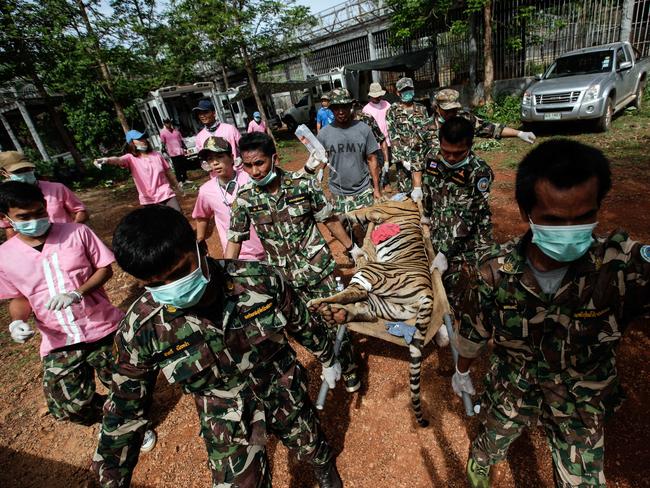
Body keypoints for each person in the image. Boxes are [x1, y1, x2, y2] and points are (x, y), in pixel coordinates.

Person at [93, 205, 344, 488]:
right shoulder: (142, 330)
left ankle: (323, 466)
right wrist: (111, 479)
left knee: (309, 443)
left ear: (200, 249)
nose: (173, 287)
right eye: (158, 284)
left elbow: (301, 321)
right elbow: (123, 411)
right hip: (226, 417)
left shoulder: (257, 280)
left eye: (180, 271)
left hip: (282, 388)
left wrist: (327, 356)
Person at [452, 139, 650, 488]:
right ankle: (482, 458)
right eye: (556, 220)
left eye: (585, 217)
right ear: (528, 214)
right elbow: (474, 332)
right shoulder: (493, 274)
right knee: (492, 438)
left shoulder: (622, 268)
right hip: (513, 390)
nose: (572, 230)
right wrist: (461, 370)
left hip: (579, 404)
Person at [0, 182, 156, 449]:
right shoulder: (5, 257)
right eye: (24, 217)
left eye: (40, 212)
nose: (35, 221)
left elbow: (105, 269)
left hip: (101, 327)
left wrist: (78, 293)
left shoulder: (76, 233)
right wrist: (17, 321)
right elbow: (19, 298)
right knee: (67, 404)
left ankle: (136, 425)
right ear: (6, 218)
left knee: (125, 385)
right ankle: (110, 417)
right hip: (58, 340)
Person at [225, 131, 363, 392]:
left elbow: (329, 219)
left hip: (318, 268)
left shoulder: (302, 185)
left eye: (259, 163)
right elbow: (235, 238)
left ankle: (349, 367)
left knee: (334, 319)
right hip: (285, 278)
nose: (254, 171)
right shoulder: (244, 198)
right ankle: (327, 359)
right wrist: (227, 273)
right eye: (248, 165)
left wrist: (351, 247)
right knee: (302, 326)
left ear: (274, 159)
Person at [421, 117, 494, 311]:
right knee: (443, 285)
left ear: (470, 146)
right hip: (441, 231)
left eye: (458, 153)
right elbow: (428, 187)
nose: (451, 158)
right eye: (446, 152)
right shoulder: (433, 159)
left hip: (471, 244)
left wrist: (445, 252)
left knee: (470, 289)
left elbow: (469, 217)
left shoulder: (479, 173)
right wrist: (426, 214)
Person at [192, 136, 265, 261]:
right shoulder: (206, 191)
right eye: (210, 159)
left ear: (231, 158)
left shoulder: (249, 179)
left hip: (265, 247)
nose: (215, 163)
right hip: (237, 254)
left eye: (219, 157)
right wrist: (200, 240)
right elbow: (202, 216)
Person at [315, 88, 381, 216]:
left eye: (344, 107)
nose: (340, 112)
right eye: (336, 108)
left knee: (369, 230)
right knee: (345, 232)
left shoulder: (364, 129)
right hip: (338, 193)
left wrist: (377, 189)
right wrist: (320, 170)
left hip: (363, 191)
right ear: (331, 109)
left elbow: (372, 159)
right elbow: (319, 158)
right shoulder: (324, 134)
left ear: (351, 106)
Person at [0, 151, 88, 239]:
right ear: (3, 172)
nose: (24, 173)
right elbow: (9, 228)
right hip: (34, 248)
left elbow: (80, 211)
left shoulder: (57, 188)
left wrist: (72, 232)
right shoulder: (4, 197)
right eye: (18, 171)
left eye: (27, 169)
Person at [93, 130, 183, 212]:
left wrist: (177, 185)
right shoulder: (130, 158)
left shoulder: (157, 155)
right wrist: (106, 159)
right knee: (158, 225)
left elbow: (168, 172)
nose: (143, 140)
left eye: (143, 138)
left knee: (178, 215)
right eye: (139, 139)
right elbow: (118, 159)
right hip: (149, 199)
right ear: (132, 143)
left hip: (165, 193)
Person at [431, 89, 536, 144]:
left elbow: (491, 129)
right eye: (447, 110)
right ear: (436, 108)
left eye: (454, 109)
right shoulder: (426, 126)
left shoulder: (465, 118)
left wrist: (520, 133)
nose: (452, 113)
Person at [386, 77, 431, 198]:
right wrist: (401, 159)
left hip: (421, 156)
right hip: (404, 160)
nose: (408, 93)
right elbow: (393, 136)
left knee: (424, 191)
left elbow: (428, 133)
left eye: (410, 89)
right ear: (398, 92)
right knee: (406, 192)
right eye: (404, 90)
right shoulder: (393, 111)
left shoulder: (422, 109)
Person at [363, 82, 392, 175]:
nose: (377, 98)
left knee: (389, 161)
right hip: (377, 141)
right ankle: (384, 183)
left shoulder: (386, 104)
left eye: (379, 96)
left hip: (389, 139)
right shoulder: (367, 109)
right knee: (381, 162)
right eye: (375, 96)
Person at [159, 118, 189, 186]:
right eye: (166, 123)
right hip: (172, 152)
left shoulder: (176, 131)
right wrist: (163, 150)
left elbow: (181, 140)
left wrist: (185, 147)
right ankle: (180, 180)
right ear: (164, 124)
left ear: (171, 123)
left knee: (183, 165)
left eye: (169, 122)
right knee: (177, 167)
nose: (168, 124)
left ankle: (185, 179)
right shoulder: (163, 133)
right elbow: (163, 143)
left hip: (180, 151)